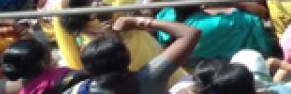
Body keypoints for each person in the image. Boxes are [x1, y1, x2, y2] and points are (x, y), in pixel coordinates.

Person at [68, 16, 200, 94]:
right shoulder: (150, 77)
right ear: (129, 56)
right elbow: (190, 33)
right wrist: (138, 21)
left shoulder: (79, 89)